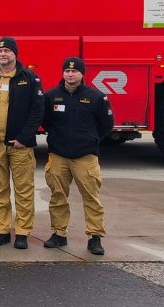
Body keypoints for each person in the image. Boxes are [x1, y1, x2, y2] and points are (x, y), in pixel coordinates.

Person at [42, 57, 113, 256]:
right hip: (58, 156)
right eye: (67, 71)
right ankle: (59, 234)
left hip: (85, 157)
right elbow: (46, 122)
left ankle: (95, 237)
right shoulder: (51, 96)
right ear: (63, 73)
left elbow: (106, 125)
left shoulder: (97, 97)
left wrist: (91, 140)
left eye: (74, 71)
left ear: (82, 74)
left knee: (91, 198)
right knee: (57, 197)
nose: (70, 74)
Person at [0, 37, 43, 249]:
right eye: (0, 51)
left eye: (7, 51)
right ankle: (2, 230)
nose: (3, 54)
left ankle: (22, 232)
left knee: (23, 190)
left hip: (20, 146)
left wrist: (24, 137)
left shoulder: (30, 78)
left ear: (15, 54)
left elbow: (37, 110)